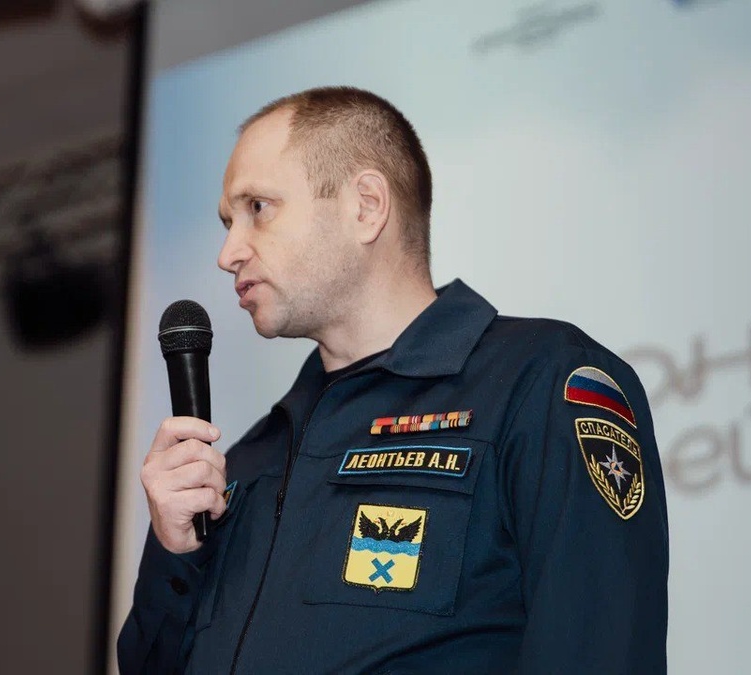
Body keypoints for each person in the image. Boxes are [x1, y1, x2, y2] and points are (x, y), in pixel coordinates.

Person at [117, 86, 668, 674]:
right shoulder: (249, 459)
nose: (228, 253)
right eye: (229, 222)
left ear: (367, 206)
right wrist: (176, 552)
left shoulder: (538, 382)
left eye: (258, 208)